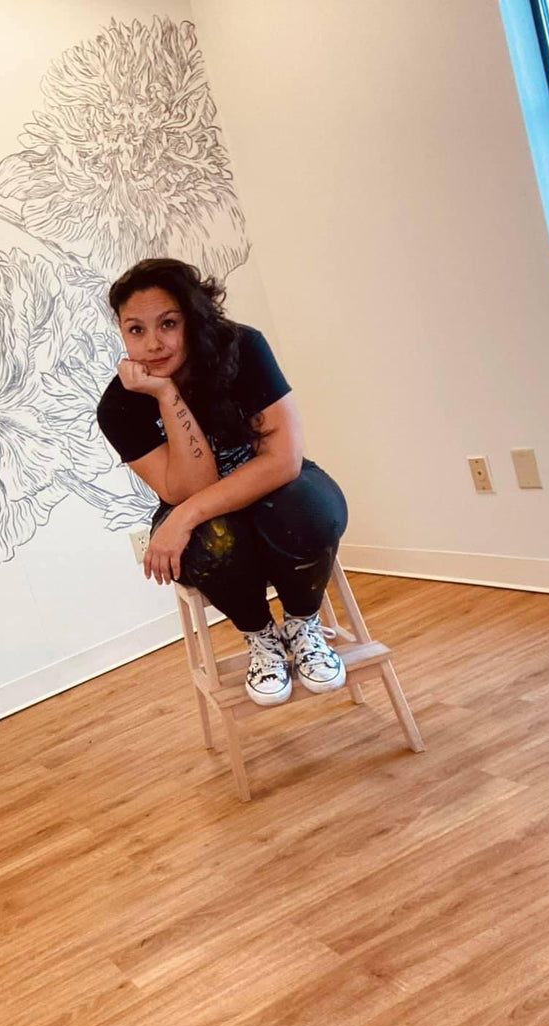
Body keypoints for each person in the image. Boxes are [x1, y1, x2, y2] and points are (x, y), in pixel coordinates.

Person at [96, 258, 349, 707]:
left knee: (307, 509)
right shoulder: (119, 406)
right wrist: (166, 393)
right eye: (136, 330)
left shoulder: (243, 348)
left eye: (168, 324)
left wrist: (185, 517)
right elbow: (189, 488)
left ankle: (302, 622)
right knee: (212, 540)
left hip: (277, 490)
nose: (153, 344)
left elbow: (283, 460)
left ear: (192, 319)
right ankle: (261, 637)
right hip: (205, 508)